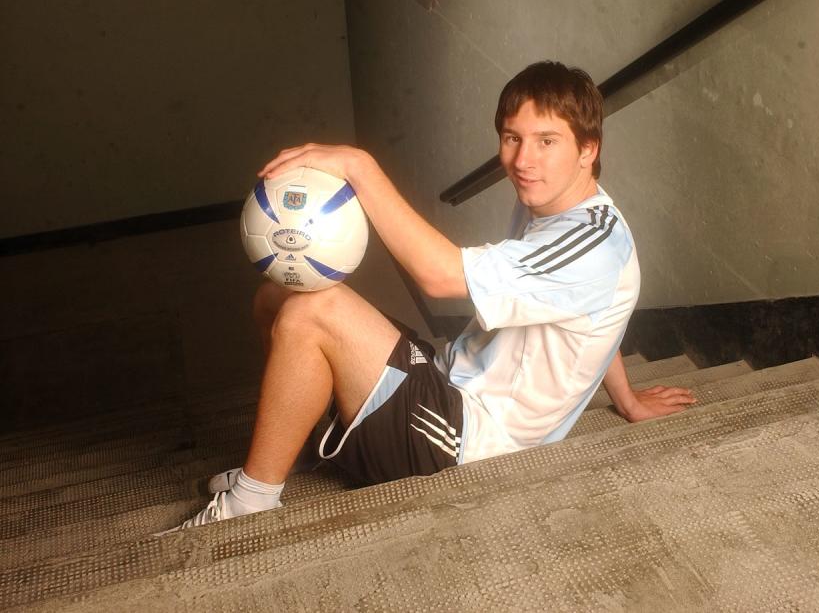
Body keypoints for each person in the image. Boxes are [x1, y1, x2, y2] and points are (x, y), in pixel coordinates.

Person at [165, 61, 695, 532]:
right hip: (448, 380)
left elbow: (440, 278)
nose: (522, 160)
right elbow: (596, 311)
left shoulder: (588, 244)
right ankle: (296, 444)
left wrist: (359, 166)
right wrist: (625, 400)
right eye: (512, 138)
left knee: (312, 310)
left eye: (546, 141)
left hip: (472, 444)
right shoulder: (558, 206)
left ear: (588, 149)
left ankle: (251, 504)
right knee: (279, 295)